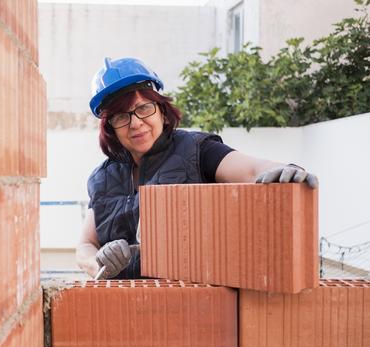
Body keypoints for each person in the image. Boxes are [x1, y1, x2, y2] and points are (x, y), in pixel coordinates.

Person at [77, 57, 318, 280]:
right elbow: (85, 245)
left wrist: (286, 169)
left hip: (192, 301)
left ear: (161, 110)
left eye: (143, 108)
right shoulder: (102, 178)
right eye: (121, 116)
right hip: (121, 303)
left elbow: (252, 170)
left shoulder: (196, 150)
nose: (136, 123)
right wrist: (98, 264)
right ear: (111, 128)